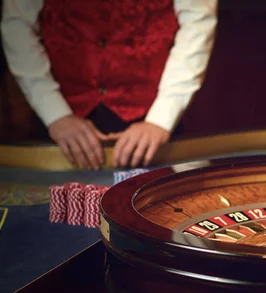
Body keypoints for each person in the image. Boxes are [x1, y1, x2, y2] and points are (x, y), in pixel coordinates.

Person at [1, 0, 217, 170]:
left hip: (155, 117)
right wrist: (54, 113)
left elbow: (197, 21)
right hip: (62, 121)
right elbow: (17, 24)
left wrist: (161, 119)